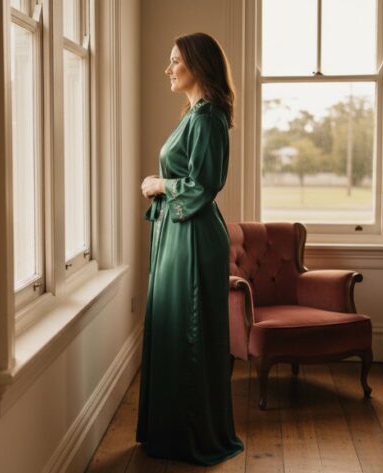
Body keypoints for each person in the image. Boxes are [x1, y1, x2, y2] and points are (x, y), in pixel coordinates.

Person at [136, 32, 243, 465]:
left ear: (197, 65)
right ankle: (171, 433)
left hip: (193, 236)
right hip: (178, 232)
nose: (168, 68)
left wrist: (160, 184)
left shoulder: (208, 118)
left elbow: (204, 184)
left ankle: (191, 436)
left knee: (189, 331)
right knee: (173, 327)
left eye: (175, 60)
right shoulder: (194, 114)